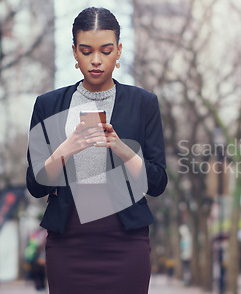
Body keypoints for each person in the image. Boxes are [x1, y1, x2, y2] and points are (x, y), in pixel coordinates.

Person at [26, 7, 167, 294]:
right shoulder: (48, 105)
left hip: (126, 240)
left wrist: (123, 150)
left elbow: (158, 183)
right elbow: (36, 184)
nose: (96, 60)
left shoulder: (144, 103)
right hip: (68, 241)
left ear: (119, 51)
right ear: (75, 52)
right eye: (86, 50)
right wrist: (67, 148)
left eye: (106, 50)